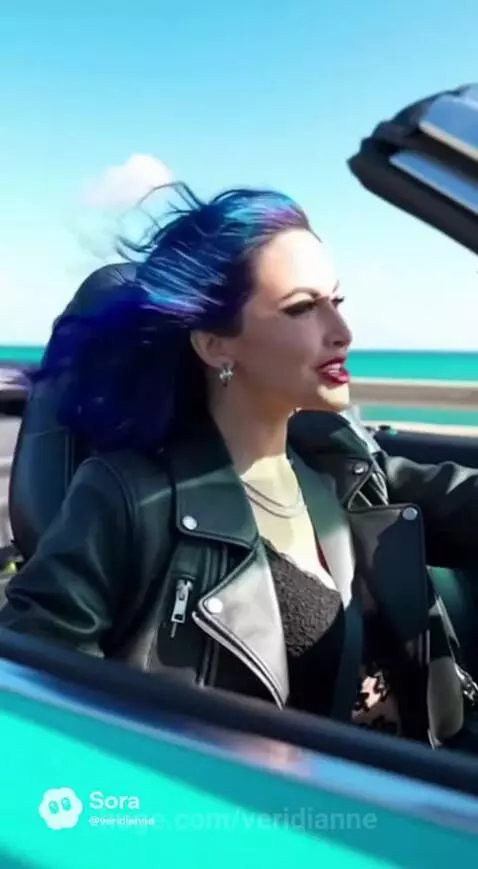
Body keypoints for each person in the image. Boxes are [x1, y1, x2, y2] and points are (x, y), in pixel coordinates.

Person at [1, 183, 478, 752]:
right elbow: (32, 703)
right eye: (303, 308)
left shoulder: (341, 460)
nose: (343, 333)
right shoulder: (130, 498)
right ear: (215, 345)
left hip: (423, 781)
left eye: (337, 301)